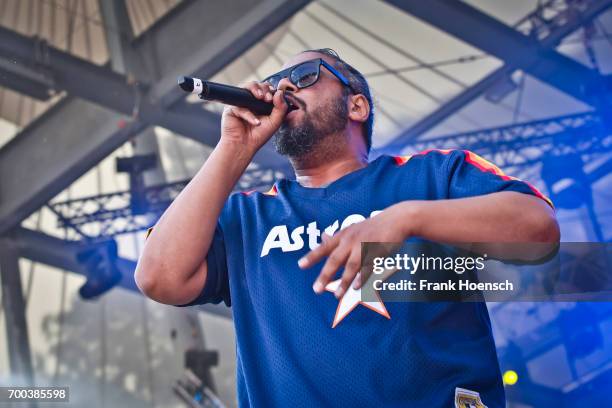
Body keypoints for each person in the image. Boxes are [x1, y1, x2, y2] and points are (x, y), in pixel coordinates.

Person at [135, 48, 560, 407]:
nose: (284, 88)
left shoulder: (431, 176)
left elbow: (539, 229)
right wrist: (234, 147)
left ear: (356, 105)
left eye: (303, 75)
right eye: (276, 80)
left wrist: (405, 217)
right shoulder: (246, 218)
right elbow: (158, 277)